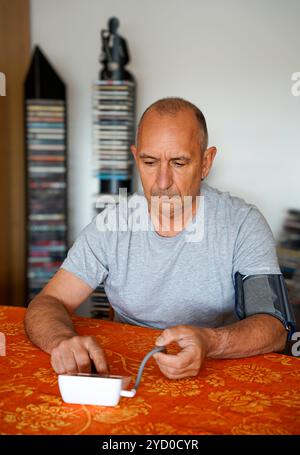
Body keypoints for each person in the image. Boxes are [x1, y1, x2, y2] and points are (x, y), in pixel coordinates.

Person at [25, 97, 293, 380]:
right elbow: (48, 301)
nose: (162, 182)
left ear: (205, 162)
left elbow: (275, 327)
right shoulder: (112, 223)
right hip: (130, 367)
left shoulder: (242, 223)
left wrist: (210, 342)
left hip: (217, 368)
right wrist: (61, 340)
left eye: (178, 162)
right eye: (150, 162)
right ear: (135, 157)